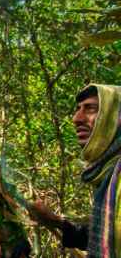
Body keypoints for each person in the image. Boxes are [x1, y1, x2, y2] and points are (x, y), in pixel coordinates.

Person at [28, 84, 121, 256]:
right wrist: (57, 222)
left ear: (116, 117)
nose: (76, 119)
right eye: (78, 109)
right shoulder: (108, 175)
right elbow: (103, 237)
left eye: (90, 109)